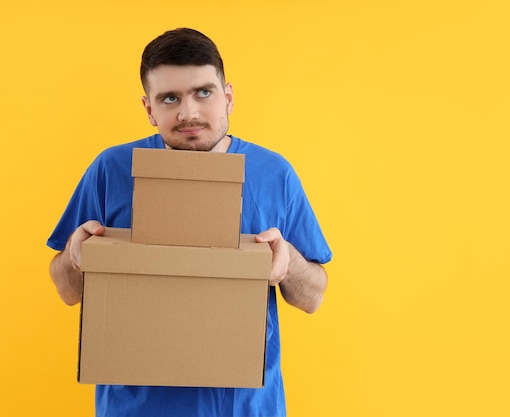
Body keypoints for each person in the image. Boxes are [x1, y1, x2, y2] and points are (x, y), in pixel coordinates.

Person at [47, 27, 332, 417]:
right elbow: (67, 290)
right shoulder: (111, 169)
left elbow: (312, 297)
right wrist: (75, 258)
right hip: (135, 408)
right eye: (170, 98)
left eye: (203, 92)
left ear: (228, 96)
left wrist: (287, 264)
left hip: (244, 407)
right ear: (149, 109)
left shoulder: (273, 173)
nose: (189, 113)